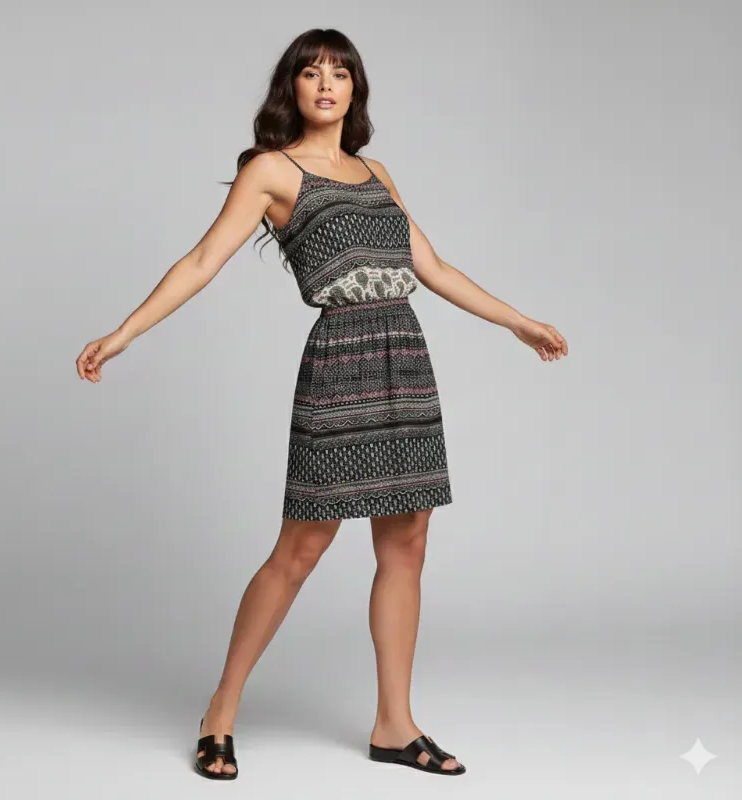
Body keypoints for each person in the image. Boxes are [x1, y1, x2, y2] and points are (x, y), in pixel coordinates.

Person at [75, 28, 568, 782]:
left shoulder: (376, 173)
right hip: (342, 361)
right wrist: (124, 333)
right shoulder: (272, 171)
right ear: (293, 88)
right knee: (301, 548)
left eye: (340, 72)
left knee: (407, 544)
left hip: (405, 359)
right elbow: (202, 259)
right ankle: (220, 711)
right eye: (312, 72)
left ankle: (395, 725)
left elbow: (432, 266)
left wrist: (518, 322)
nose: (327, 83)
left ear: (355, 90)